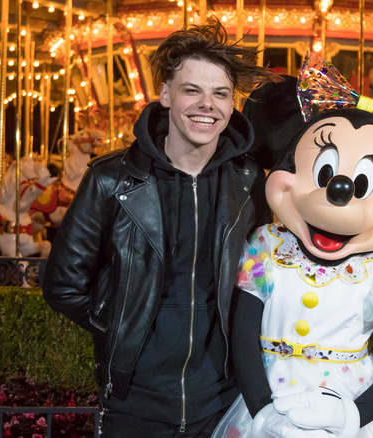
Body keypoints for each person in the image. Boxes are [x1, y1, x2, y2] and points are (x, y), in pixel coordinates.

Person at [42, 21, 277, 437]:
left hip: (222, 397)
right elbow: (63, 285)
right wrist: (124, 325)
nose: (207, 105)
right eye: (192, 90)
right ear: (166, 94)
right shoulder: (112, 179)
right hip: (135, 401)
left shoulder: (249, 182)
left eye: (220, 94)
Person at [211, 52, 373, 438]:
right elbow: (244, 335)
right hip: (267, 400)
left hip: (351, 405)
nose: (340, 192)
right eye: (326, 173)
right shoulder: (268, 247)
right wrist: (263, 413)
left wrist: (354, 417)